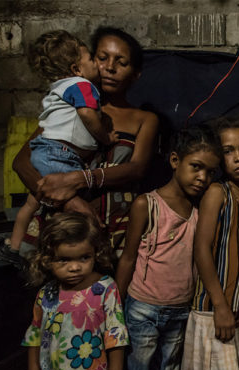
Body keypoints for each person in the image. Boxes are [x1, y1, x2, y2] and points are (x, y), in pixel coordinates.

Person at [11, 26, 159, 257]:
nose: (109, 67)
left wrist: (80, 179)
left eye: (121, 62)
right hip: (61, 223)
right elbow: (22, 162)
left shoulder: (145, 119)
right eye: (101, 58)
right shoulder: (69, 108)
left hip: (115, 223)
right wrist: (68, 201)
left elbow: (137, 169)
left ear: (135, 74)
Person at [0, 30, 118, 269]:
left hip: (46, 152)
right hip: (59, 155)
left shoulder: (59, 89)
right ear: (76, 69)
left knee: (31, 204)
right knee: (83, 215)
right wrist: (106, 137)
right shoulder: (82, 86)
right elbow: (87, 115)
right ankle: (103, 255)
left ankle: (13, 248)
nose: (100, 65)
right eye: (93, 59)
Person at [115, 126, 222, 370]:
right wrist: (114, 307)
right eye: (196, 167)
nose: (202, 178)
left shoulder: (200, 213)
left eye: (210, 172)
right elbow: (127, 258)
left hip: (179, 312)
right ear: (175, 161)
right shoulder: (147, 205)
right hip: (142, 308)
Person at [180, 116, 239, 370]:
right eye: (228, 150)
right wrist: (222, 306)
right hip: (213, 310)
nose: (238, 158)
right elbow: (201, 250)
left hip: (233, 309)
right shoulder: (216, 192)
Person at [21, 212, 129, 370]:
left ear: (96, 253)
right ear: (47, 259)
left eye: (84, 258)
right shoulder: (46, 294)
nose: (74, 267)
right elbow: (34, 339)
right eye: (64, 260)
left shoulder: (105, 289)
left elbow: (116, 335)